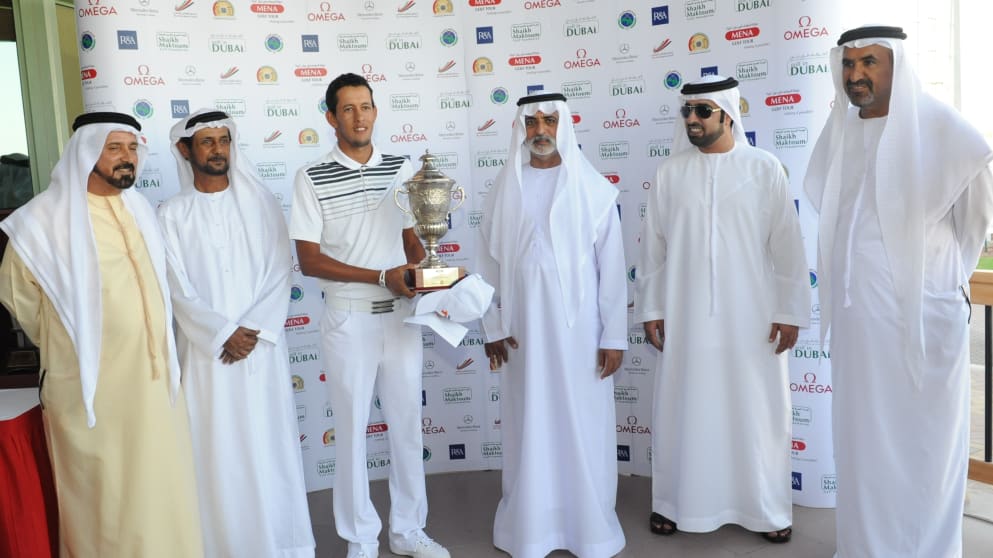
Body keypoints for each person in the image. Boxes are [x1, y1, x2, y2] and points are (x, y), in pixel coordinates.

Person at [804, 26, 993, 557]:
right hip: (859, 327)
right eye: (848, 63)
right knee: (864, 446)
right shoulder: (840, 131)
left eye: (870, 62)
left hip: (922, 324)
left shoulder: (948, 135)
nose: (856, 75)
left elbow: (972, 226)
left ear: (898, 66)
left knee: (924, 447)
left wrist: (930, 284)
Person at [0, 112, 203, 556]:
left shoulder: (140, 209)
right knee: (106, 497)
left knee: (162, 489)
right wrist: (71, 344)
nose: (127, 159)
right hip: (90, 390)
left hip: (153, 385)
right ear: (86, 152)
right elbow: (19, 296)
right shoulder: (42, 222)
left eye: (132, 148)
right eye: (114, 149)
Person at [635, 76, 809, 543]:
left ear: (728, 114)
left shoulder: (764, 168)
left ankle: (766, 510)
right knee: (682, 408)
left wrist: (790, 310)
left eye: (702, 111)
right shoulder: (671, 173)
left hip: (751, 317)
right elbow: (652, 249)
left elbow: (789, 248)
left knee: (756, 411)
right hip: (685, 316)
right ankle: (675, 504)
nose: (692, 119)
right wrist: (651, 307)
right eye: (687, 111)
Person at [289, 73, 449, 558]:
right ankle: (360, 537)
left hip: (400, 317)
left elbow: (409, 241)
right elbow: (309, 260)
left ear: (376, 111)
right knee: (352, 431)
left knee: (406, 426)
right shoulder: (310, 176)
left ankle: (407, 530)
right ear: (331, 117)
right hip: (348, 319)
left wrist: (427, 262)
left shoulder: (402, 169)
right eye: (349, 109)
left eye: (366, 106)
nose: (359, 117)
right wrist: (382, 276)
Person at [158, 109, 316, 557]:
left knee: (268, 447)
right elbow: (176, 286)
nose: (217, 150)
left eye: (223, 140)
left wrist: (251, 330)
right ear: (185, 150)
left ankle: (282, 545)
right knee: (217, 452)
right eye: (206, 142)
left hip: (260, 353)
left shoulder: (261, 201)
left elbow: (279, 272)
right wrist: (222, 332)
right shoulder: (171, 214)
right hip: (208, 356)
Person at [481, 91, 628, 558]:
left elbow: (612, 270)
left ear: (563, 124)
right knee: (529, 425)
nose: (540, 130)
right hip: (523, 335)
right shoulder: (505, 188)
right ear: (520, 130)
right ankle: (531, 526)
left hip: (580, 335)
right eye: (531, 122)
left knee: (582, 424)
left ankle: (589, 527)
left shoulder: (594, 190)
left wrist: (614, 335)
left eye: (548, 120)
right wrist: (492, 327)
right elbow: (486, 267)